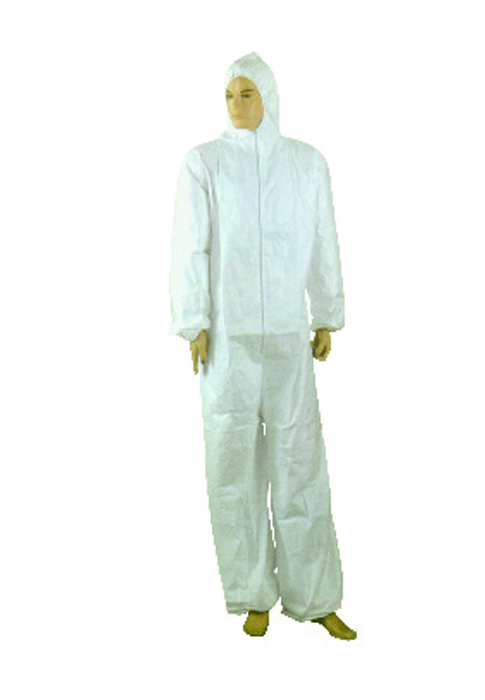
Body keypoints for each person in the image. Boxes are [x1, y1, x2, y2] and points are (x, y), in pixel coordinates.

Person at [169, 52, 356, 640]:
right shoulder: (205, 163)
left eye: (247, 94)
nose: (236, 105)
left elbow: (323, 238)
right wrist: (195, 321)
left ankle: (315, 596)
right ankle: (252, 593)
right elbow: (191, 245)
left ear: (268, 97)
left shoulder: (305, 164)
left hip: (287, 341)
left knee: (301, 464)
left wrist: (326, 314)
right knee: (233, 472)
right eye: (229, 95)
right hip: (228, 343)